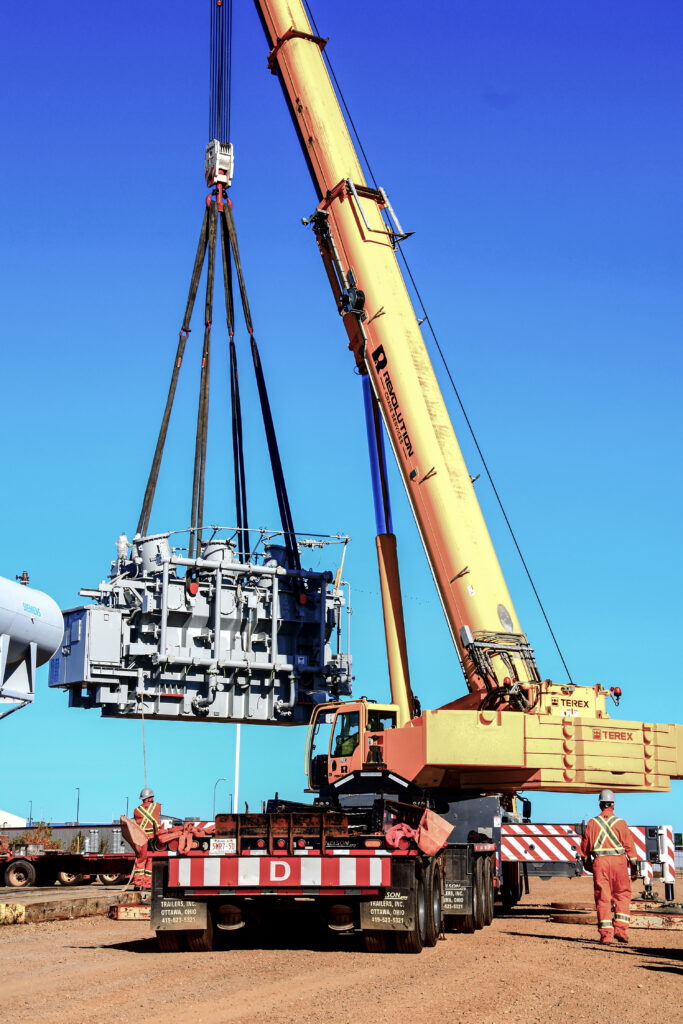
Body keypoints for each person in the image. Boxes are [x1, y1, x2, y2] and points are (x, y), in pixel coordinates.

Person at [580, 789, 639, 945]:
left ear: (600, 804)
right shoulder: (620, 823)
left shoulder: (592, 823)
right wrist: (634, 868)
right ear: (613, 805)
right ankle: (621, 930)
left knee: (603, 898)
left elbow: (584, 849)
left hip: (600, 863)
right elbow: (630, 849)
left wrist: (587, 862)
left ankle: (606, 935)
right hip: (619, 863)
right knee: (622, 895)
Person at [132, 787, 161, 889]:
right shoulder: (156, 807)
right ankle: (147, 884)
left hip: (141, 839)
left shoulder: (136, 811)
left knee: (140, 860)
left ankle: (137, 882)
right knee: (150, 861)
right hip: (152, 839)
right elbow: (157, 807)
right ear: (149, 798)